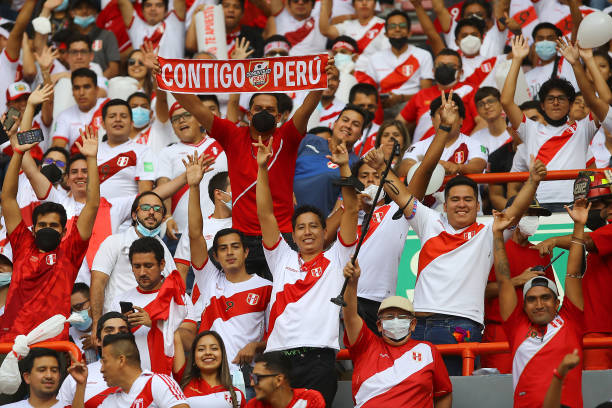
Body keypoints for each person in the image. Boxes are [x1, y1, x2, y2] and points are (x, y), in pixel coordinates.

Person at [363, 90, 547, 376]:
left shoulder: (489, 228)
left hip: (461, 325)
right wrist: (382, 170)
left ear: (478, 204)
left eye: (468, 199)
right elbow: (401, 195)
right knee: (422, 395)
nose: (461, 204)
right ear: (445, 205)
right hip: (420, 324)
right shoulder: (430, 221)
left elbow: (514, 213)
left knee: (457, 395)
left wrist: (532, 182)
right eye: (455, 200)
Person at [171, 58, 336, 279]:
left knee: (281, 299)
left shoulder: (288, 136)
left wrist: (321, 75)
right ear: (248, 115)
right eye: (258, 109)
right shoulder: (232, 135)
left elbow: (307, 107)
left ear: (279, 117)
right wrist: (168, 79)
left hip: (282, 235)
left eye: (270, 110)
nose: (263, 113)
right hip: (243, 238)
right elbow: (196, 108)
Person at [256, 130, 357, 405]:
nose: (307, 232)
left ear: (326, 232)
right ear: (293, 233)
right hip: (277, 360)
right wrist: (262, 169)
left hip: (319, 360)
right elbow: (264, 213)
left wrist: (345, 166)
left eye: (314, 226)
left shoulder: (338, 256)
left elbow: (350, 209)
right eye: (301, 227)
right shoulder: (281, 258)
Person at [0, 124, 99, 342]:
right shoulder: (22, 244)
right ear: (32, 229)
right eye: (42, 225)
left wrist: (91, 159)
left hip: (52, 345)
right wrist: (18, 152)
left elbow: (92, 205)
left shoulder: (70, 252)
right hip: (11, 340)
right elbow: (7, 198)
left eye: (53, 226)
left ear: (64, 231)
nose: (47, 229)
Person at [178, 152, 270, 385]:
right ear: (215, 256)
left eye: (235, 247)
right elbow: (195, 234)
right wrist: (194, 187)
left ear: (246, 252)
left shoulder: (267, 288)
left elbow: (278, 338)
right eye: (223, 249)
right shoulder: (209, 278)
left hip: (251, 380)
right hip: (212, 378)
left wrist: (256, 347)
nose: (229, 252)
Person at [491, 194, 588, 407]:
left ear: (557, 302)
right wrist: (497, 234)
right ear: (523, 306)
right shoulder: (516, 326)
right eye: (532, 300)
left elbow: (573, 272)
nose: (540, 304)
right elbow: (504, 280)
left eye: (546, 298)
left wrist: (579, 226)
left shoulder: (570, 320)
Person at [502, 35, 608, 212]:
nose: (556, 103)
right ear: (542, 105)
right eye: (550, 99)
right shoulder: (530, 128)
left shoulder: (584, 128)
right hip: (538, 205)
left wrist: (580, 62)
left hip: (575, 205)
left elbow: (604, 98)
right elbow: (506, 101)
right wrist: (517, 60)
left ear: (571, 103)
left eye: (561, 98)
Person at [342, 260, 452, 407]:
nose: (395, 320)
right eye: (389, 317)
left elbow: (443, 393)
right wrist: (352, 283)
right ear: (379, 325)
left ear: (413, 324)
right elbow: (350, 316)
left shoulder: (427, 350)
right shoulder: (366, 345)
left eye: (401, 317)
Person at [535, 173, 612, 370]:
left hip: (602, 331)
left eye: (595, 205)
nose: (593, 212)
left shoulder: (605, 235)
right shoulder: (604, 236)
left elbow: (585, 241)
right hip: (596, 330)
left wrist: (554, 240)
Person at [325, 159, 411, 333]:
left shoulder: (395, 211)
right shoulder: (347, 213)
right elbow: (323, 238)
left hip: (379, 302)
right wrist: (350, 206)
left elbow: (417, 185)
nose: (370, 180)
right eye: (364, 176)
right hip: (342, 299)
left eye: (377, 176)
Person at [90, 191, 180, 340]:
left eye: (157, 209)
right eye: (145, 208)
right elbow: (97, 283)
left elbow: (173, 289)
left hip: (153, 328)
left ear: (163, 217)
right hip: (117, 330)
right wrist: (96, 326)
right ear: (133, 215)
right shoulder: (113, 242)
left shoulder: (164, 250)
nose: (152, 212)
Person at [481, 197, 555, 373]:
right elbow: (480, 291)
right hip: (500, 331)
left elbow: (553, 295)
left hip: (535, 332)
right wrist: (517, 280)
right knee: (499, 389)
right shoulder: (493, 250)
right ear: (514, 216)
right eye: (528, 213)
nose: (532, 219)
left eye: (536, 215)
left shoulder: (541, 252)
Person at [109, 237, 188, 373]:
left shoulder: (180, 298)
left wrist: (154, 324)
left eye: (148, 265)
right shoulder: (118, 301)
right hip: (129, 382)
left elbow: (189, 341)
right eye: (137, 266)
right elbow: (109, 345)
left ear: (162, 264)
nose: (142, 273)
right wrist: (123, 328)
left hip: (166, 380)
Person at [400, 94, 487, 210]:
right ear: (432, 119)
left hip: (465, 212)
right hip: (425, 214)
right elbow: (404, 168)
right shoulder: (418, 146)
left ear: (461, 120)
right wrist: (437, 167)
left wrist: (456, 168)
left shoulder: (475, 144)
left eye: (451, 111)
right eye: (442, 112)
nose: (446, 116)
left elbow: (478, 166)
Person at [156, 101, 227, 242]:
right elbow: (163, 185)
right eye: (175, 119)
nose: (181, 120)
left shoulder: (221, 143)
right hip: (181, 230)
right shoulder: (167, 152)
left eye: (186, 115)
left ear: (200, 121)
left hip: (222, 227)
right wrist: (167, 217)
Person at [67, 332, 189, 407]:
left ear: (121, 360)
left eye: (104, 361)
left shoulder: (157, 383)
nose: (101, 369)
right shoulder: (111, 401)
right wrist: (80, 385)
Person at [354, 10, 434, 116]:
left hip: (413, 105)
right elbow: (370, 90)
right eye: (392, 26)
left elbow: (426, 93)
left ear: (410, 32)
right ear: (386, 34)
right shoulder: (375, 58)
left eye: (402, 26)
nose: (397, 29)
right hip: (383, 106)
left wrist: (401, 98)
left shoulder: (423, 55)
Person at [294, 104, 367, 217]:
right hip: (281, 215)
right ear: (335, 123)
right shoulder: (308, 140)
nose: (348, 126)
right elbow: (282, 165)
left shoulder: (356, 165)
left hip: (314, 227)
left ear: (360, 135)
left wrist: (326, 230)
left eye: (355, 124)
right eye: (345, 120)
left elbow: (345, 202)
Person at [396, 49, 478, 146]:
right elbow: (397, 124)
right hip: (422, 155)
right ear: (433, 71)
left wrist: (468, 147)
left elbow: (483, 123)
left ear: (460, 72)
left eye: (451, 66)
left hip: (457, 153)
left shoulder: (471, 90)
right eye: (440, 65)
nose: (444, 68)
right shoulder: (421, 94)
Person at [58, 312, 131, 406]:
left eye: (122, 331)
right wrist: (80, 386)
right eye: (109, 331)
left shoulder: (145, 374)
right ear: (98, 341)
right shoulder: (76, 377)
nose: (116, 334)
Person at [174, 171, 233, 275]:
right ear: (219, 194)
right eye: (235, 187)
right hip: (203, 290)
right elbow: (182, 267)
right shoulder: (197, 227)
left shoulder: (246, 224)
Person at [174, 331, 246, 407]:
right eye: (201, 349)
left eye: (214, 348)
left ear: (222, 355)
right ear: (194, 357)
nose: (208, 352)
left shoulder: (237, 395)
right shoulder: (182, 384)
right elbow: (175, 335)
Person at [51, 68, 108, 151]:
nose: (81, 93)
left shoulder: (109, 107)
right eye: (77, 88)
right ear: (72, 91)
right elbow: (57, 148)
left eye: (86, 87)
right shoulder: (64, 116)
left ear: (96, 89)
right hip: (78, 161)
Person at [246, 352, 325, 408]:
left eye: (256, 378)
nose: (252, 383)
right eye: (251, 377)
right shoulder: (253, 405)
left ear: (279, 380)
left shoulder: (309, 400)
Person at [67, 0, 120, 78]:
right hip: (70, 84)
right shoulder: (65, 36)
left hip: (102, 86)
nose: (84, 11)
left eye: (89, 7)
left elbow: (114, 69)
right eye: (79, 8)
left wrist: (96, 83)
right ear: (72, 13)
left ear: (96, 12)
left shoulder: (107, 35)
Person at [524, 23, 577, 100]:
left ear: (558, 42)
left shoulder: (569, 64)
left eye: (550, 38)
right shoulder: (527, 77)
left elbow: (577, 25)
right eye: (540, 38)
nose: (545, 42)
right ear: (534, 43)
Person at [117, 0, 186, 59]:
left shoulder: (175, 22)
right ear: (142, 10)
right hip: (144, 74)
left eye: (158, 5)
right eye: (148, 5)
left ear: (166, 11)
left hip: (173, 74)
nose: (153, 8)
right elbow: (123, 3)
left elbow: (180, 1)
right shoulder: (136, 27)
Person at [319, 0, 387, 57]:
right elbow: (325, 30)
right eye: (360, 0)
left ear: (375, 5)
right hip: (348, 71)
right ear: (353, 5)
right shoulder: (347, 25)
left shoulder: (385, 26)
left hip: (373, 71)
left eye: (368, 0)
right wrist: (324, 5)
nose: (364, 3)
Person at [471, 87, 512, 157]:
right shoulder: (475, 140)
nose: (486, 106)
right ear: (477, 111)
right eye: (481, 104)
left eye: (491, 101)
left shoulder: (517, 130)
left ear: (501, 104)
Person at [70, 282, 98, 364]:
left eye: (79, 307)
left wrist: (101, 344)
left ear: (92, 301)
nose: (75, 313)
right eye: (71, 310)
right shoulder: (67, 338)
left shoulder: (111, 326)